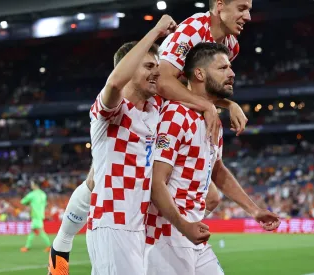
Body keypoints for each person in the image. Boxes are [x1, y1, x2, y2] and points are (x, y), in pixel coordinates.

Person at [85, 15, 210, 275]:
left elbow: (190, 91)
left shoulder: (154, 110)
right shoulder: (110, 111)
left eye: (157, 65)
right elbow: (115, 82)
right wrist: (155, 32)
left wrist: (224, 106)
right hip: (112, 224)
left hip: (139, 228)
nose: (157, 72)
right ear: (130, 69)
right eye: (148, 66)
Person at [145, 42, 281, 275]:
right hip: (167, 236)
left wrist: (254, 210)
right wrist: (183, 225)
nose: (232, 73)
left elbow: (217, 170)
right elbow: (156, 183)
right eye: (223, 68)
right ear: (199, 73)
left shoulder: (211, 118)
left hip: (193, 235)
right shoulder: (176, 115)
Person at [156, 0, 253, 215]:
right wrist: (208, 108)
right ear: (219, 5)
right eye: (241, 8)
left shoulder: (231, 45)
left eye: (249, 10)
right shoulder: (193, 30)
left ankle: (177, 241)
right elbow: (162, 80)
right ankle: (63, 242)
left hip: (176, 111)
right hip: (147, 105)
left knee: (211, 198)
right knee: (102, 177)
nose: (247, 17)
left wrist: (228, 104)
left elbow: (202, 88)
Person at [20, 180, 51, 252]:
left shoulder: (32, 194)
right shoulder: (43, 194)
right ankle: (27, 247)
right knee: (32, 231)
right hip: (40, 214)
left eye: (32, 184)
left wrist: (29, 203)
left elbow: (22, 201)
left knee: (40, 231)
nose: (31, 185)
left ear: (35, 185)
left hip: (35, 215)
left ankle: (49, 246)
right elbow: (45, 204)